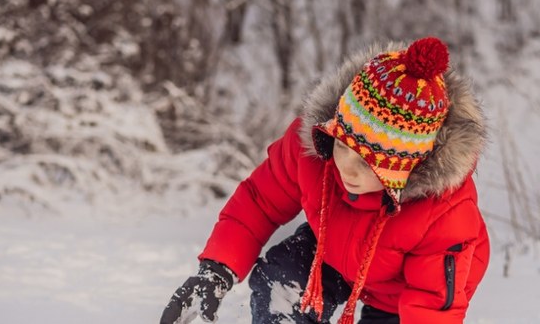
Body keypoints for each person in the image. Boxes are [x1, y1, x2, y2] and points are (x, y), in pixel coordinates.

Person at [160, 37, 489, 324]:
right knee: (281, 282)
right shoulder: (315, 150)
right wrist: (217, 268)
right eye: (343, 144)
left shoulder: (445, 213)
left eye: (367, 163)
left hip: (403, 290)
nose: (347, 167)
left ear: (406, 169)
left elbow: (432, 306)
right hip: (336, 245)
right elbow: (260, 201)